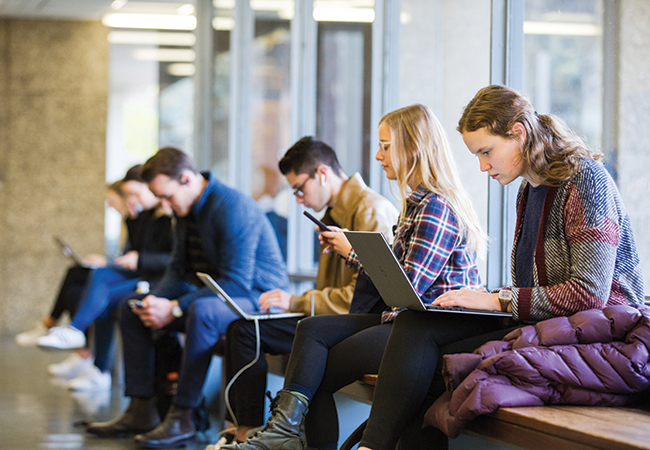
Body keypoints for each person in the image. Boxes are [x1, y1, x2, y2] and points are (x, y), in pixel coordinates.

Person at [352, 85, 645, 450]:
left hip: (600, 334)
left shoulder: (585, 179)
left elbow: (587, 295)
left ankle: (369, 445)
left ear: (519, 133)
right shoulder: (529, 189)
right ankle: (371, 445)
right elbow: (533, 289)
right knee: (417, 325)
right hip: (547, 324)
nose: (482, 166)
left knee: (429, 367)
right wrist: (486, 299)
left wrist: (499, 301)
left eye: (486, 152)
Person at [222, 103, 487, 450]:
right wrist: (356, 252)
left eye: (386, 146)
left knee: (313, 372)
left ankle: (285, 433)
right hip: (403, 320)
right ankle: (284, 432)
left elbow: (406, 289)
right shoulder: (416, 204)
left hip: (423, 329)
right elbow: (398, 284)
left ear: (413, 148)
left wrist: (353, 251)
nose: (378, 156)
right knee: (310, 330)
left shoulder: (435, 206)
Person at [86, 147, 290, 449]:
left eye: (167, 196)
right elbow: (176, 270)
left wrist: (176, 308)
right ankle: (141, 407)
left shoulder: (232, 207)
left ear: (185, 179)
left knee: (203, 312)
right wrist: (155, 301)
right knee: (132, 308)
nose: (165, 205)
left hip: (258, 299)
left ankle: (183, 416)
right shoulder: (184, 210)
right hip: (216, 296)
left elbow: (235, 283)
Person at [214, 137, 398, 446]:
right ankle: (243, 430)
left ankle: (256, 434)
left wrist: (296, 301)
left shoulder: (372, 210)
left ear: (323, 173)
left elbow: (360, 297)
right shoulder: (333, 215)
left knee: (259, 336)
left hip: (359, 322)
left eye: (300, 188)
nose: (298, 199)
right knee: (244, 328)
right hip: (331, 320)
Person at [36, 165, 174, 391]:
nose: (132, 199)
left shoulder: (168, 216)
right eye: (130, 194)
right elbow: (135, 248)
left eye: (136, 193)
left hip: (157, 279)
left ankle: (89, 355)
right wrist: (131, 219)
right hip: (144, 273)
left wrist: (139, 259)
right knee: (97, 277)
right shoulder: (146, 215)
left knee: (104, 297)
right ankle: (76, 334)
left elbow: (167, 260)